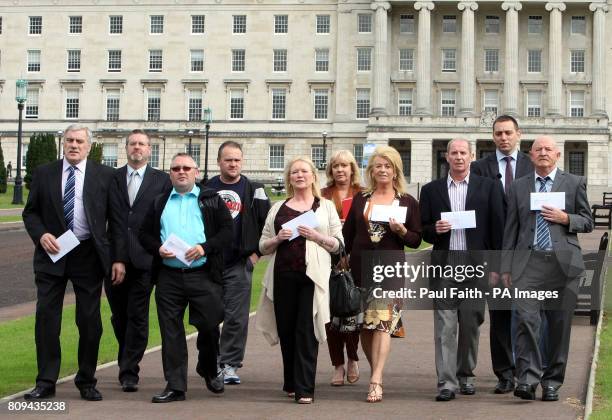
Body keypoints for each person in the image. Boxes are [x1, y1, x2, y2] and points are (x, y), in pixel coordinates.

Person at [22, 124, 116, 401]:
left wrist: (115, 256)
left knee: (89, 320)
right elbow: (31, 213)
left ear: (89, 146)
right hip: (52, 253)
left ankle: (86, 380)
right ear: (62, 143)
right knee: (46, 319)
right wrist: (41, 235)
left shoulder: (106, 176)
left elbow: (117, 219)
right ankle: (46, 381)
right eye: (69, 140)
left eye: (79, 141)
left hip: (88, 255)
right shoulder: (44, 173)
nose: (74, 145)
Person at [501, 136, 593, 402]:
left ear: (557, 155)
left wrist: (566, 218)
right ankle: (528, 380)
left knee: (558, 326)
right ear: (530, 156)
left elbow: (587, 221)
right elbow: (511, 229)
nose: (543, 153)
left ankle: (552, 382)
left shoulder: (574, 183)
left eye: (548, 149)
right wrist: (505, 266)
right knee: (527, 322)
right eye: (538, 149)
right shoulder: (518, 186)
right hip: (527, 265)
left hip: (562, 264)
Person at [139, 153, 232, 403]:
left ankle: (209, 368)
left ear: (196, 171)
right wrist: (157, 248)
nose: (181, 172)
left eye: (186, 168)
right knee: (171, 331)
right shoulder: (159, 201)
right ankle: (176, 386)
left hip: (202, 273)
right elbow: (144, 235)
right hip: (169, 276)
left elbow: (227, 232)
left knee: (210, 326)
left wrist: (204, 247)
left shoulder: (210, 199)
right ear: (170, 173)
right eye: (176, 168)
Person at [420, 139, 505, 402]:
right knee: (445, 326)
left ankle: (466, 375)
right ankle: (447, 382)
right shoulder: (432, 190)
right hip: (445, 264)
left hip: (476, 265)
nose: (458, 157)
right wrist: (435, 229)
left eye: (463, 153)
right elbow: (422, 229)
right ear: (446, 157)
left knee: (470, 323)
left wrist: (496, 267)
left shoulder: (489, 188)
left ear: (472, 156)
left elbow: (497, 230)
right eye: (454, 153)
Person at [257, 157, 343, 404]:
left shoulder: (325, 206)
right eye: (294, 172)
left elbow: (339, 245)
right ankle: (291, 382)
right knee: (286, 330)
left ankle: (305, 388)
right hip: (283, 276)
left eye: (304, 171)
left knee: (306, 330)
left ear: (313, 176)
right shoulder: (277, 208)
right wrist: (277, 239)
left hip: (311, 276)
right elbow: (263, 245)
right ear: (289, 178)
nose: (299, 175)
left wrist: (317, 236)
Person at [342, 145, 422, 403]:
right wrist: (342, 259)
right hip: (360, 268)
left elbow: (415, 240)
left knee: (383, 325)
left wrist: (401, 231)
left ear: (396, 170)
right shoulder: (361, 199)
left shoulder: (408, 201)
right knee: (366, 326)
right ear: (371, 170)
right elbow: (349, 235)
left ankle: (375, 379)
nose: (383, 170)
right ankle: (376, 370)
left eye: (388, 166)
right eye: (378, 166)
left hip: (389, 268)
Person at [471, 115, 534, 394]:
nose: (503, 138)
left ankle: (528, 371)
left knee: (529, 316)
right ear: (492, 136)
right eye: (498, 133)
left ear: (518, 134)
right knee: (499, 317)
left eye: (508, 133)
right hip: (494, 252)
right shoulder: (479, 168)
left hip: (526, 252)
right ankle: (505, 373)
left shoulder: (533, 165)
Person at [107, 129, 171, 392]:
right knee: (118, 316)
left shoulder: (162, 180)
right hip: (114, 259)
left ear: (149, 149)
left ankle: (129, 371)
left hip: (146, 259)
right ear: (126, 148)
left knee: (138, 315)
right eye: (132, 144)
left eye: (142, 144)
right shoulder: (111, 178)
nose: (137, 148)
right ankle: (126, 359)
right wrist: (117, 257)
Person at [206, 141, 271, 385]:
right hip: (209, 264)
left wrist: (255, 257)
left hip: (239, 263)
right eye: (228, 160)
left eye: (237, 160)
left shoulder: (254, 189)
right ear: (219, 162)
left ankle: (230, 364)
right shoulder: (206, 188)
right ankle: (211, 362)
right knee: (209, 316)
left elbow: (268, 225)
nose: (233, 164)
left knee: (236, 317)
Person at [321, 150, 362, 386]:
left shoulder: (361, 194)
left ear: (352, 169)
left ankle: (353, 358)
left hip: (355, 258)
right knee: (331, 315)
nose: (340, 170)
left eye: (344, 165)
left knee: (352, 311)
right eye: (335, 166)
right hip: (328, 259)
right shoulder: (323, 194)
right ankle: (337, 364)